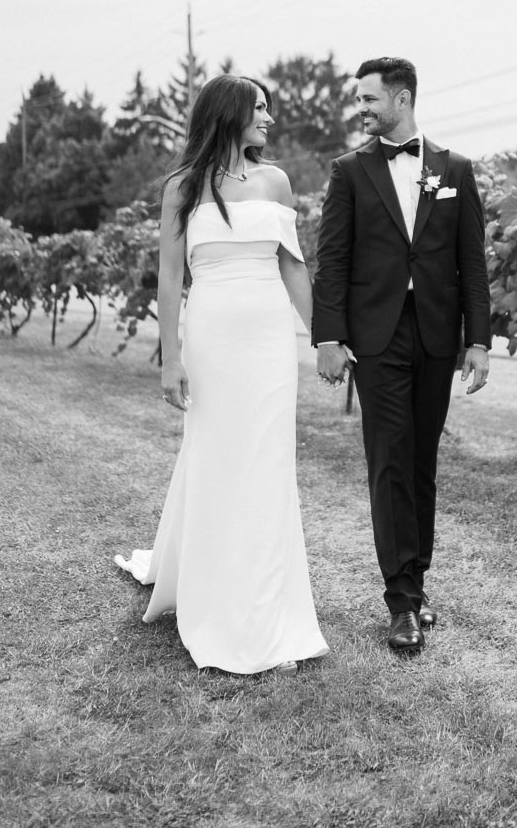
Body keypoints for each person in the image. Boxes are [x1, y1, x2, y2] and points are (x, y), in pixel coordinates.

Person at [115, 75, 328, 675]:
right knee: (215, 457)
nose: (269, 119)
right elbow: (168, 275)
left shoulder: (276, 181)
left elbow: (292, 266)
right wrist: (171, 356)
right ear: (228, 115)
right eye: (260, 108)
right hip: (210, 335)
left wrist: (323, 336)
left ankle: (265, 610)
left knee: (266, 463)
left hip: (267, 339)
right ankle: (211, 595)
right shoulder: (181, 187)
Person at [312, 57, 490, 654]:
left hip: (439, 335)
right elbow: (331, 259)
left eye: (369, 100)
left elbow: (473, 265)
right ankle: (402, 602)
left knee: (421, 461)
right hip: (378, 336)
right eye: (359, 101)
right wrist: (329, 337)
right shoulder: (349, 172)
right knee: (389, 458)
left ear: (403, 99)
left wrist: (480, 341)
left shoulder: (456, 170)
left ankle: (418, 578)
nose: (361, 110)